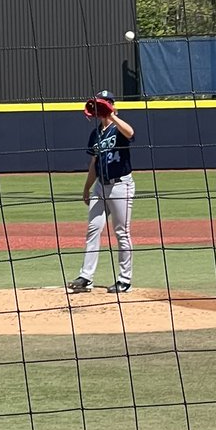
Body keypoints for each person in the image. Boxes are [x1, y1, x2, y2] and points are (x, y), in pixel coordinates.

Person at [67, 90, 136, 294]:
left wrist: (112, 114)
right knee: (93, 229)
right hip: (100, 186)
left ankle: (125, 280)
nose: (102, 107)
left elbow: (131, 133)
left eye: (105, 103)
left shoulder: (118, 128)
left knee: (121, 232)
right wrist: (87, 188)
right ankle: (86, 277)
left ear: (112, 105)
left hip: (120, 185)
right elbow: (93, 164)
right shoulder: (95, 133)